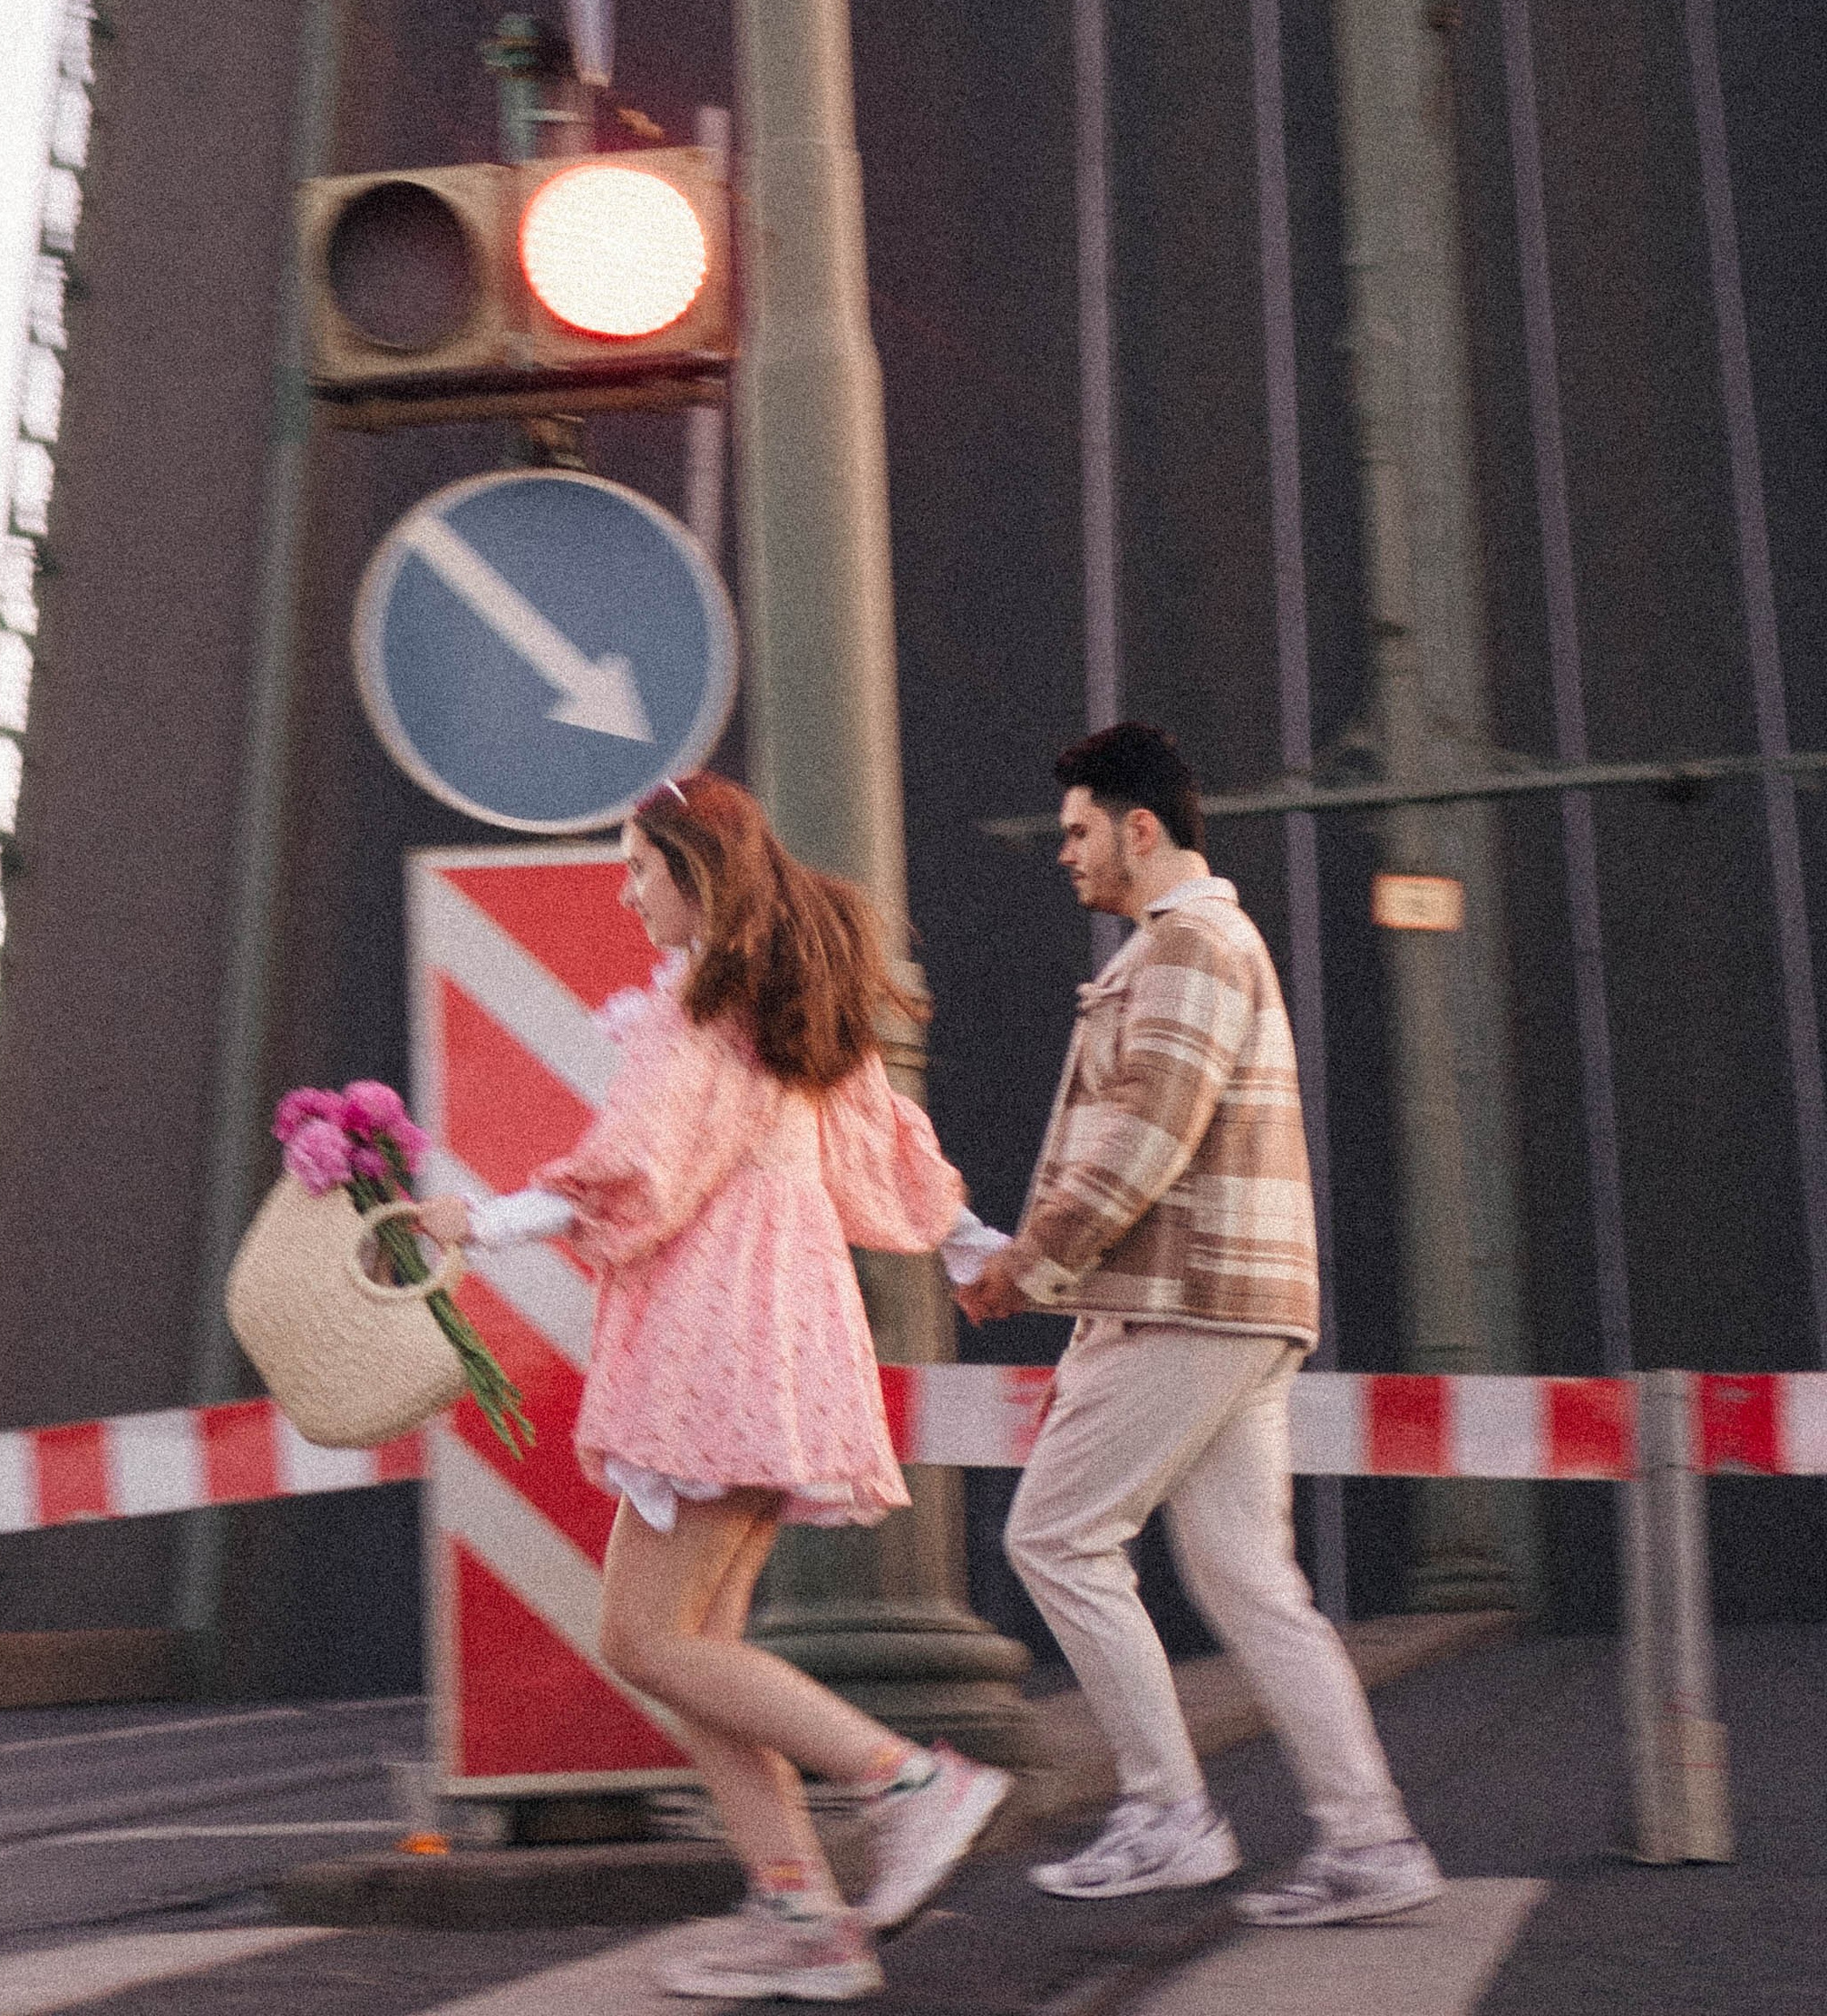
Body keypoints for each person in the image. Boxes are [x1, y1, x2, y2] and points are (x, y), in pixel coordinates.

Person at [415, 769, 1011, 2002]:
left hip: (711, 1342)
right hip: (783, 1338)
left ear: (696, 874)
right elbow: (884, 1149)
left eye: (641, 870)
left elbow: (639, 1166)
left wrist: (480, 1222)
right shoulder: (788, 1006)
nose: (628, 895)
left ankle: (911, 1782)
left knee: (643, 1637)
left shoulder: (700, 1010)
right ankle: (806, 1921)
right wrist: (973, 1250)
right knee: (698, 1651)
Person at [955, 720, 1444, 1928]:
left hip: (1189, 1297)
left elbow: (1146, 1137)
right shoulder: (1205, 943)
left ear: (1139, 829)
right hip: (1242, 1298)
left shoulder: (1184, 946)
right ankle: (1371, 1840)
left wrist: (1028, 1265)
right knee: (1250, 1583)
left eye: (1079, 831)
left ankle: (1168, 1812)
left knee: (1057, 1538)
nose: (1064, 854)